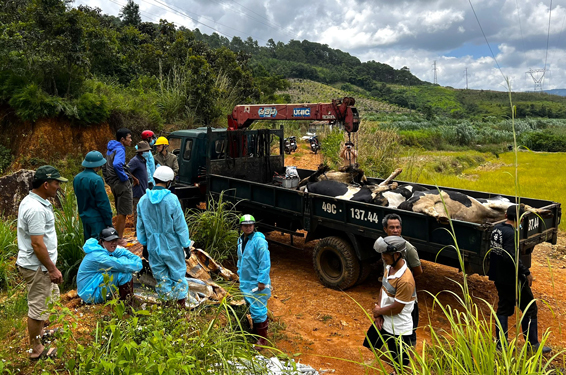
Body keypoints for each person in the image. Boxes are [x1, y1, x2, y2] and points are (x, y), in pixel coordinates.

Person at [16, 165, 68, 360]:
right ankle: (36, 349)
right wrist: (51, 268)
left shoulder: (36, 201)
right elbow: (37, 244)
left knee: (47, 299)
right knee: (38, 306)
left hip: (40, 265)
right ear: (46, 184)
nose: (58, 187)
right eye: (56, 183)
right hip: (38, 266)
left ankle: (41, 332)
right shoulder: (35, 208)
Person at [489, 205, 551, 353]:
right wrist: (525, 272)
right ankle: (533, 344)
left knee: (504, 307)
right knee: (530, 308)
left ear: (505, 216)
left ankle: (501, 345)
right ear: (522, 219)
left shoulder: (497, 229)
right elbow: (511, 258)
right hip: (512, 278)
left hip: (498, 276)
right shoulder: (511, 234)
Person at [136, 166, 191, 308]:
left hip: (153, 246)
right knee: (178, 276)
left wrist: (145, 245)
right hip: (172, 245)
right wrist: (186, 244)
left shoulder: (143, 200)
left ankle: (167, 309)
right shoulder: (172, 199)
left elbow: (140, 227)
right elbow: (180, 225)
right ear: (168, 182)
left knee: (161, 278)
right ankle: (180, 308)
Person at [364, 236, 416, 370]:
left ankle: (401, 370)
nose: (382, 257)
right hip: (385, 319)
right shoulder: (389, 267)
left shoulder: (405, 280)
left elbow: (398, 307)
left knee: (402, 362)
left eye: (385, 254)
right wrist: (379, 312)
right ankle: (399, 368)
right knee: (371, 344)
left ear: (396, 254)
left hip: (398, 329)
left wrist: (378, 311)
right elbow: (384, 288)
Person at [382, 213, 422, 346]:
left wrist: (403, 282)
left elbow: (418, 270)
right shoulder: (384, 247)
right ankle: (397, 363)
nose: (395, 230)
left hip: (407, 299)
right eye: (391, 227)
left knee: (409, 334)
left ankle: (408, 364)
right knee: (391, 332)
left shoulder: (408, 248)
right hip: (390, 298)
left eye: (397, 227)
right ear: (385, 229)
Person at [77, 227, 142, 304]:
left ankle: (126, 301)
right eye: (110, 240)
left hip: (93, 286)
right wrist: (138, 263)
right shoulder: (98, 256)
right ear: (101, 241)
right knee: (124, 274)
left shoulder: (102, 248)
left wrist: (136, 260)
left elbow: (122, 252)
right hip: (90, 294)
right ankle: (127, 305)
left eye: (115, 240)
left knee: (123, 258)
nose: (113, 243)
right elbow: (122, 266)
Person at [237, 214, 271, 348]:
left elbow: (265, 261)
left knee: (258, 309)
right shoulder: (241, 240)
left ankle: (262, 339)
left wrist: (262, 280)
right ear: (241, 227)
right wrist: (239, 274)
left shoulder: (259, 241)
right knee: (252, 307)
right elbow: (241, 259)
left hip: (257, 282)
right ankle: (257, 332)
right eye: (245, 225)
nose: (248, 227)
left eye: (251, 225)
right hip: (246, 280)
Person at [73, 151, 113, 240]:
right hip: (97, 219)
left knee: (89, 244)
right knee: (98, 246)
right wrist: (108, 222)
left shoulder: (77, 178)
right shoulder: (97, 179)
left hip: (84, 217)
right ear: (98, 165)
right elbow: (103, 203)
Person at [102, 128, 133, 238]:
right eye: (129, 138)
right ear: (122, 139)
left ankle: (117, 237)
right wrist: (124, 178)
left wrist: (109, 181)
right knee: (123, 212)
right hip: (121, 183)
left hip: (114, 184)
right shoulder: (120, 149)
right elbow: (117, 165)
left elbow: (104, 167)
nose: (131, 140)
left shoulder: (110, 150)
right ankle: (119, 238)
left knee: (119, 210)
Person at [128, 141, 151, 234]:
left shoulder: (143, 160)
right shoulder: (135, 161)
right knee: (138, 211)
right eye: (146, 151)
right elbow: (126, 170)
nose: (148, 152)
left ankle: (142, 231)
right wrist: (134, 179)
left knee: (144, 212)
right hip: (138, 191)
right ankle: (137, 232)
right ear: (141, 152)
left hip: (144, 190)